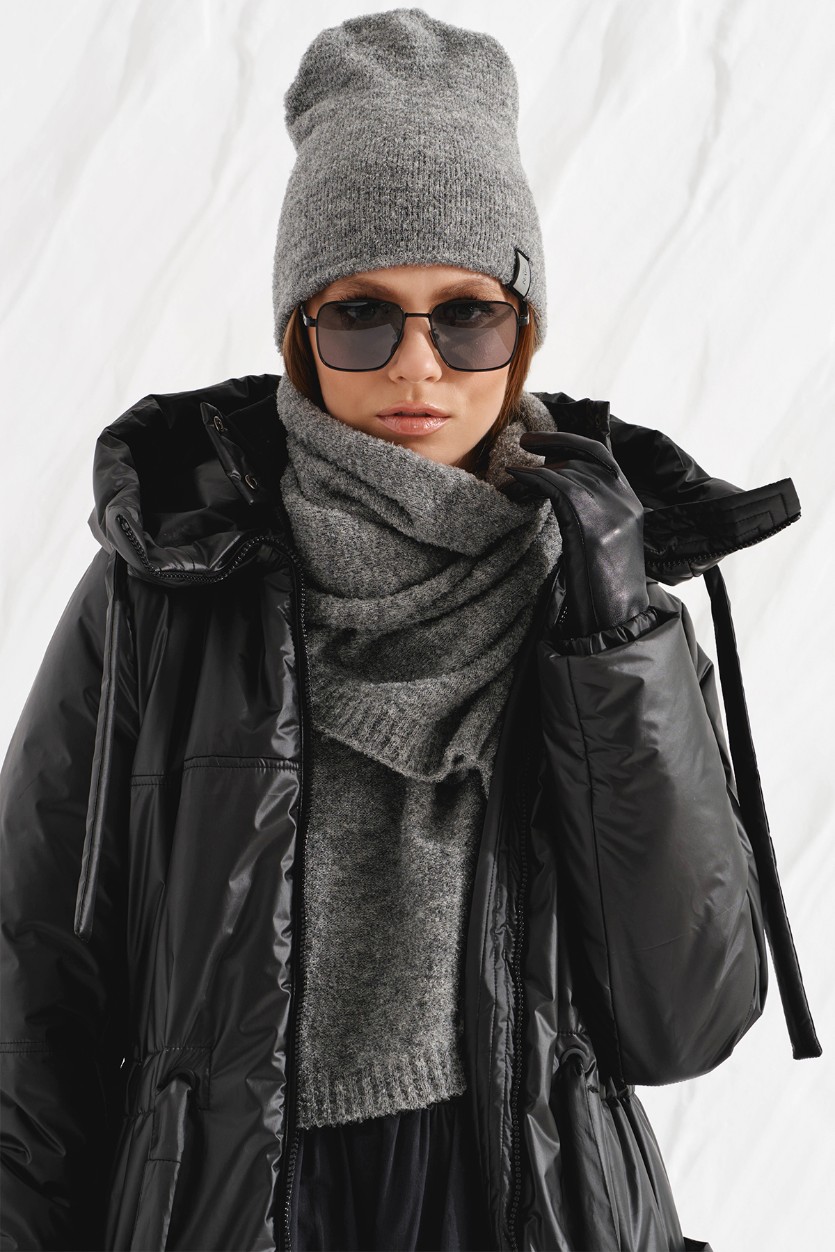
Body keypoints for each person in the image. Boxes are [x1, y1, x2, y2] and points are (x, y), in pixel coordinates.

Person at [0, 8, 821, 1252]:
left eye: (467, 314)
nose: (416, 366)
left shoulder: (596, 595)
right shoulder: (165, 583)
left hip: (534, 1205)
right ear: (301, 329)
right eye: (362, 314)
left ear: (522, 328)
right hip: (226, 1208)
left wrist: (615, 642)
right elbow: (30, 987)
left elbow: (684, 1020)